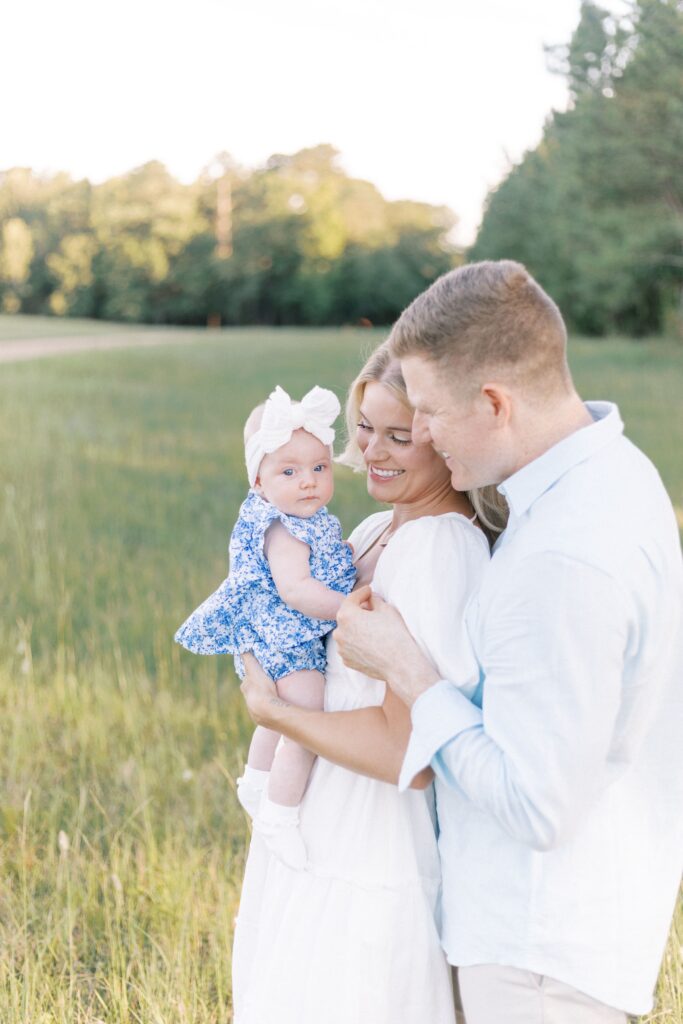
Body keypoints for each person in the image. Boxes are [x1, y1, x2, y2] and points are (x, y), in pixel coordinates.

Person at [327, 261, 683, 1023]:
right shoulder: (614, 472)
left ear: (493, 402)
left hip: (538, 955)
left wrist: (408, 674)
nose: (415, 435)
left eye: (425, 411)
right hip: (561, 932)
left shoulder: (563, 554)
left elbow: (535, 805)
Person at [232, 341, 506, 1024]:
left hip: (370, 837)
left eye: (399, 435)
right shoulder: (376, 526)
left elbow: (409, 757)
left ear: (445, 439)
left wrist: (275, 714)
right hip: (319, 819)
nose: (374, 452)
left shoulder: (440, 548)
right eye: (364, 428)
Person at [175, 384, 356, 869]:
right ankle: (279, 811)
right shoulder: (283, 528)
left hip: (278, 636)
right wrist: (351, 608)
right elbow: (296, 590)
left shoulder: (302, 516)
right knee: (304, 716)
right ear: (259, 482)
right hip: (285, 639)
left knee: (283, 717)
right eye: (290, 471)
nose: (309, 481)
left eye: (320, 467)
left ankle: (256, 780)